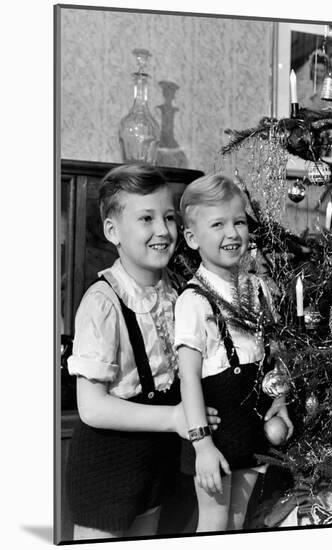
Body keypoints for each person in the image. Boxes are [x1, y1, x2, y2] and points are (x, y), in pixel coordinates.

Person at [65, 163, 220, 540]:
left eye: (168, 217)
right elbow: (92, 407)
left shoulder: (178, 294)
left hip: (154, 465)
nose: (163, 231)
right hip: (107, 467)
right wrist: (174, 418)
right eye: (146, 219)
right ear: (112, 231)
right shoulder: (102, 302)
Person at [174, 174, 294, 533]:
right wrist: (202, 445)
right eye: (218, 224)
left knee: (238, 521)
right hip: (216, 431)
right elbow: (189, 379)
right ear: (193, 238)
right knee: (213, 524)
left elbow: (277, 352)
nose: (233, 233)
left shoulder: (259, 289)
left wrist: (281, 400)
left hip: (252, 423)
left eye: (239, 222)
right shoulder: (193, 301)